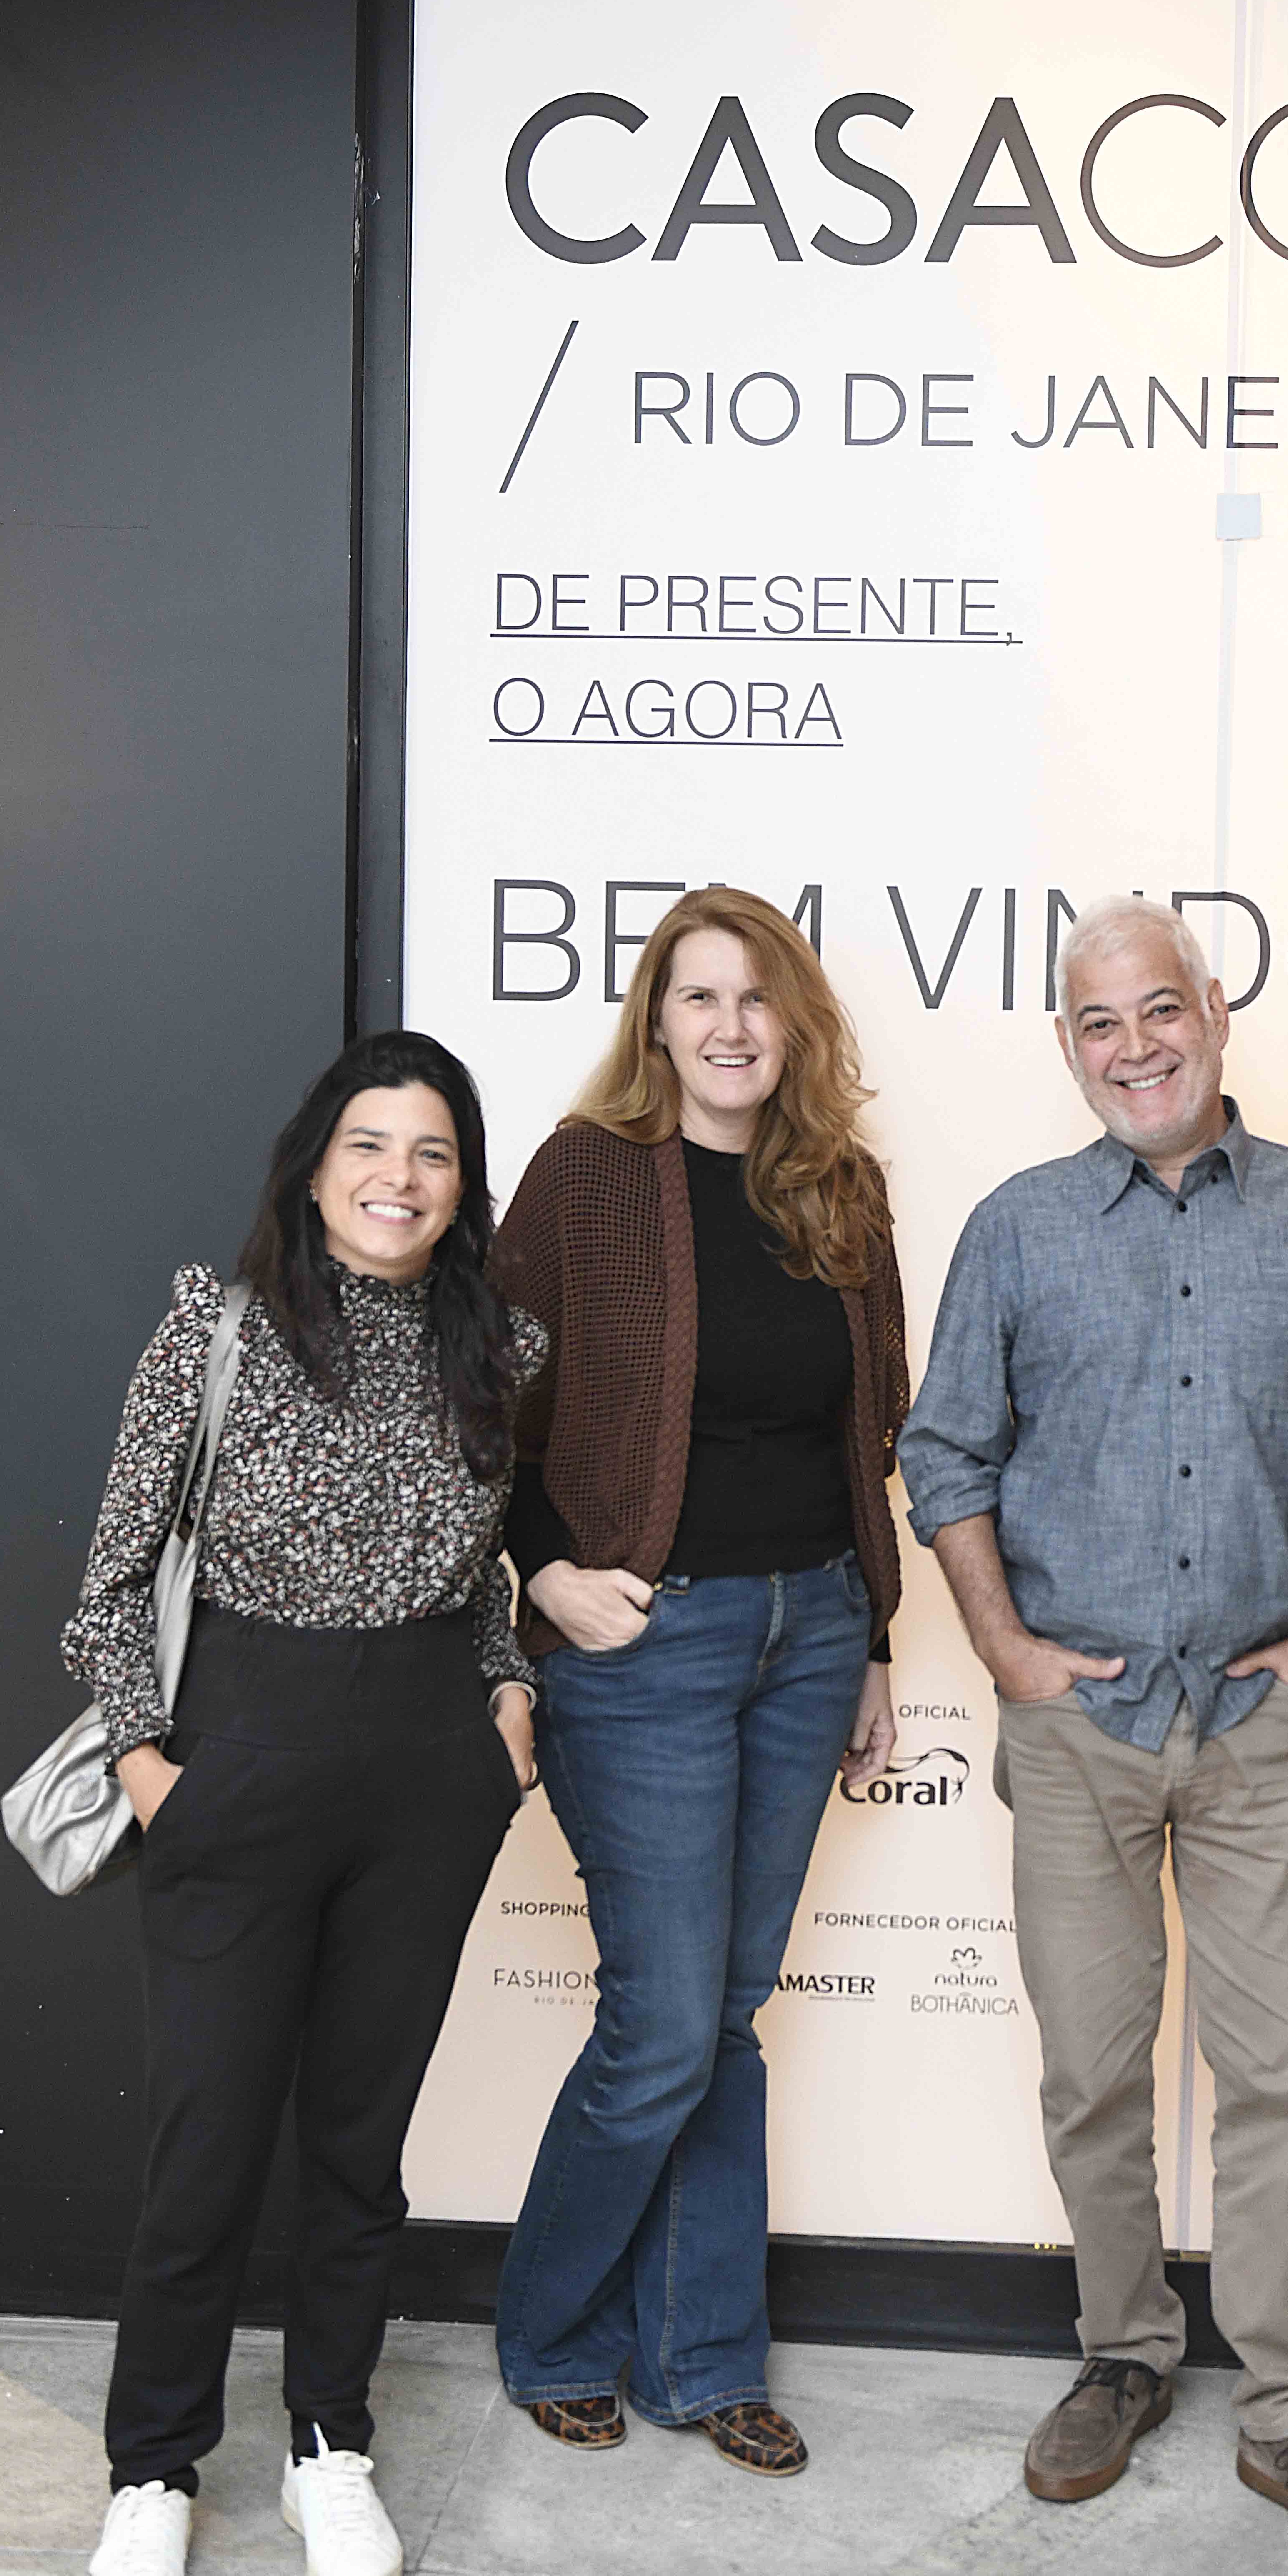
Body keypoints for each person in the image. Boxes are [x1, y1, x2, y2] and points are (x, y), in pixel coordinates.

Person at [899, 895, 1288, 2576]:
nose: (1134, 1045)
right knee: (1091, 2073)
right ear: (1067, 1045)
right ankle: (1125, 2352)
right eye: (1098, 1023)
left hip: (1265, 1728)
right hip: (1079, 1732)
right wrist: (1004, 1651)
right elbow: (945, 1455)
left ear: (1217, 1013)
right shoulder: (1017, 1226)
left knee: (1276, 2082)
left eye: (1159, 1011)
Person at [62, 1031, 545, 2576]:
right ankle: (154, 2476)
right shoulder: (219, 1324)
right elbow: (115, 1578)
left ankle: (329, 2438)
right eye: (371, 1144)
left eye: (432, 1152)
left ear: (461, 1181)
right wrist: (147, 1763)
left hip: (425, 1772)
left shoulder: (503, 1345)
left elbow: (491, 1565)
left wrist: (505, 1697)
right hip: (240, 1754)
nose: (398, 1178)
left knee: (358, 2136)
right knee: (206, 2141)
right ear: (314, 1159)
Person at [490, 886, 906, 2477]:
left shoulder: (838, 1189)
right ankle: (551, 2330)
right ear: (655, 1020)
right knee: (664, 2026)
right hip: (644, 1644)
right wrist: (541, 1572)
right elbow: (491, 1410)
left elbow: (867, 1432)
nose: (730, 1025)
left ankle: (703, 2354)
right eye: (697, 996)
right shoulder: (588, 1179)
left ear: (792, 1021)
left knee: (722, 2016)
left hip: (808, 1633)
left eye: (757, 997)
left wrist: (868, 1637)